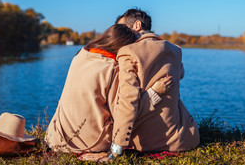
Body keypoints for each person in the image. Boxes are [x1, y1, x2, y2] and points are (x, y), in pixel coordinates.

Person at [82, 9, 199, 161]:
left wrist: (114, 152)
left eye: (123, 28)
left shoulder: (127, 51)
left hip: (144, 143)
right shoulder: (174, 50)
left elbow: (128, 102)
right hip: (182, 138)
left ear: (137, 25)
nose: (120, 34)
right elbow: (180, 74)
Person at [45, 24, 173, 153]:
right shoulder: (113, 69)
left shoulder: (80, 56)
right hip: (89, 144)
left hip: (55, 137)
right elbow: (124, 113)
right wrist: (154, 93)